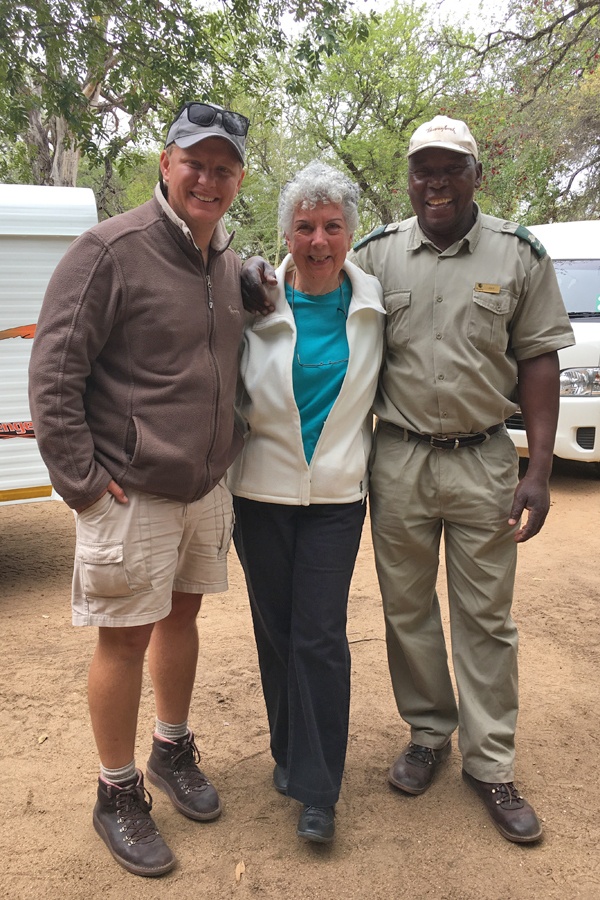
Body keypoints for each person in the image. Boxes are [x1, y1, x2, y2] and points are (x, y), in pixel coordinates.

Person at [241, 116, 575, 844]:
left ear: (476, 176)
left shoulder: (518, 254)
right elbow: (308, 278)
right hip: (397, 459)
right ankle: (428, 733)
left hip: (486, 455)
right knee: (408, 611)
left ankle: (490, 763)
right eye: (423, 169)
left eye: (451, 168)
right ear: (409, 179)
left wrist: (540, 467)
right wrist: (253, 275)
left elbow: (540, 358)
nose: (436, 183)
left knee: (486, 616)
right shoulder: (378, 255)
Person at [28, 101, 249, 877]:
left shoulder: (223, 260)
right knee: (122, 636)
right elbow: (54, 375)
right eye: (196, 161)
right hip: (130, 495)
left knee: (181, 617)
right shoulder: (107, 251)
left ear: (238, 179)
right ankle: (115, 790)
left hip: (203, 489)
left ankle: (170, 747)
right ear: (166, 162)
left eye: (224, 168)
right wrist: (83, 485)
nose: (208, 178)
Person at [228, 161, 385, 844]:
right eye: (304, 226)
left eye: (331, 226)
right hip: (259, 492)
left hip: (335, 499)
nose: (318, 240)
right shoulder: (256, 300)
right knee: (277, 632)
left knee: (319, 636)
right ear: (286, 233)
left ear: (350, 232)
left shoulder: (376, 304)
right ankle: (288, 757)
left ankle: (319, 792)